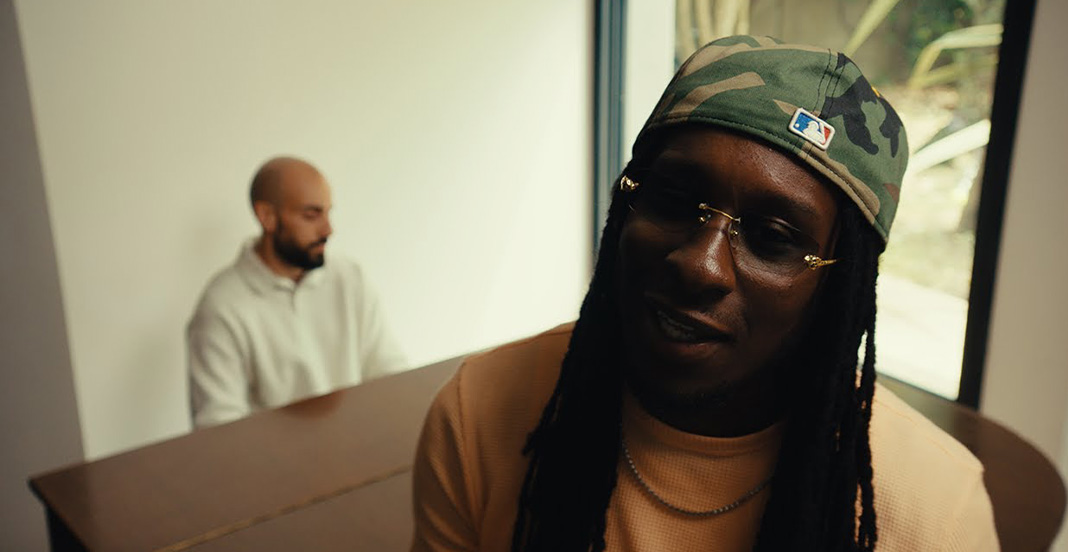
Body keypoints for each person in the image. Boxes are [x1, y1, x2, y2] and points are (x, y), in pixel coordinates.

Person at [410, 36, 999, 552]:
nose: (700, 264)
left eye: (773, 237)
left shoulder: (937, 512)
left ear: (839, 287)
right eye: (672, 200)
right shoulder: (481, 412)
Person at [187, 156, 406, 428]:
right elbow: (218, 427)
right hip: (273, 456)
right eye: (311, 215)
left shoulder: (349, 278)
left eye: (328, 213)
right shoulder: (221, 307)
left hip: (357, 444)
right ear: (267, 216)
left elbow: (390, 375)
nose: (328, 229)